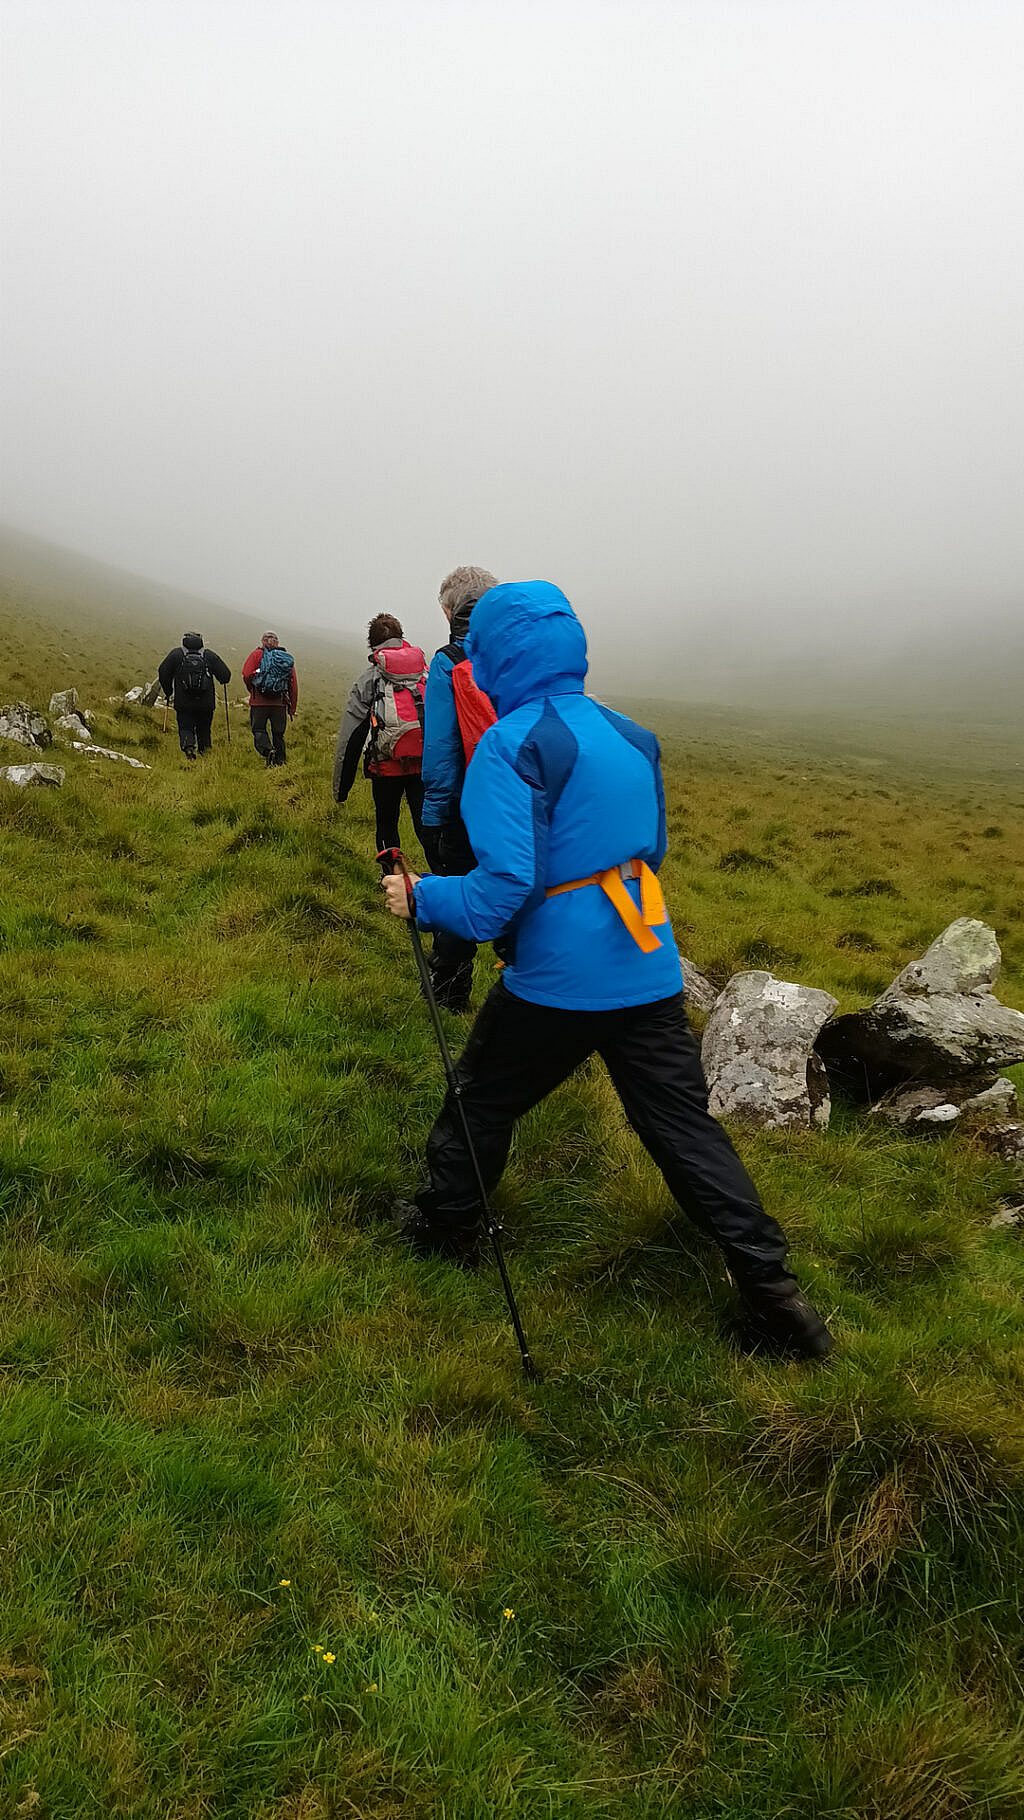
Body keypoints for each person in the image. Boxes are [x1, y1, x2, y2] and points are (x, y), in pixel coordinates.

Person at [382, 579, 832, 1361]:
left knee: (479, 1100)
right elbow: (648, 854)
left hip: (556, 981)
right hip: (647, 965)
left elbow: (500, 894)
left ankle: (447, 1230)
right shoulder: (633, 735)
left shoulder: (511, 744)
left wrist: (419, 896)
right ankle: (775, 1296)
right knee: (683, 1130)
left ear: (492, 656)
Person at [420, 564, 498, 1011]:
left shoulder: (449, 661)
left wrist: (435, 816)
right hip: (525, 803)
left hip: (466, 806)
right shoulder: (526, 653)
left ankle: (450, 997)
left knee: (458, 892)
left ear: (450, 611)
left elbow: (442, 748)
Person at [333, 614, 428, 853]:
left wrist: (341, 789)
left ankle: (392, 879)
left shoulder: (369, 679)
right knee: (427, 827)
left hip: (385, 767)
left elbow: (351, 735)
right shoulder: (426, 673)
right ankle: (442, 881)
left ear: (372, 644)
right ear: (401, 638)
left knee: (387, 825)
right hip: (424, 764)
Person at [158, 632, 231, 759]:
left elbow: (163, 671)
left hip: (183, 702)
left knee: (185, 727)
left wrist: (168, 691)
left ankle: (189, 748)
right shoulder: (208, 655)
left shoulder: (176, 654)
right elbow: (226, 675)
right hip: (206, 703)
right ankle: (205, 754)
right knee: (204, 729)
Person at [242, 632, 298, 766]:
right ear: (277, 642)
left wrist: (253, 690)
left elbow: (246, 674)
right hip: (279, 703)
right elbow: (293, 684)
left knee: (259, 730)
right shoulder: (285, 658)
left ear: (263, 641)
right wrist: (292, 706)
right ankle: (280, 762)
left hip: (259, 703)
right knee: (278, 734)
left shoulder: (256, 655)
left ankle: (268, 751)